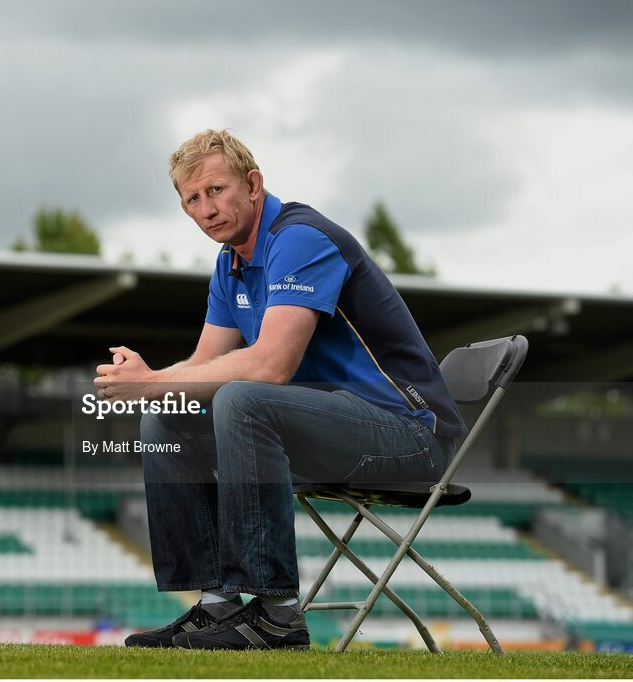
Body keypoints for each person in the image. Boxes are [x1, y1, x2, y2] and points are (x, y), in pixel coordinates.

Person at [93, 129, 467, 651]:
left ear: (253, 183)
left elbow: (270, 366)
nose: (207, 209)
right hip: (329, 430)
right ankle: (216, 605)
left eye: (217, 190)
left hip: (410, 435)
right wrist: (148, 387)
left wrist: (154, 381)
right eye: (192, 200)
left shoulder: (300, 237)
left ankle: (277, 616)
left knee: (243, 398)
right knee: (167, 417)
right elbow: (201, 371)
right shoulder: (230, 266)